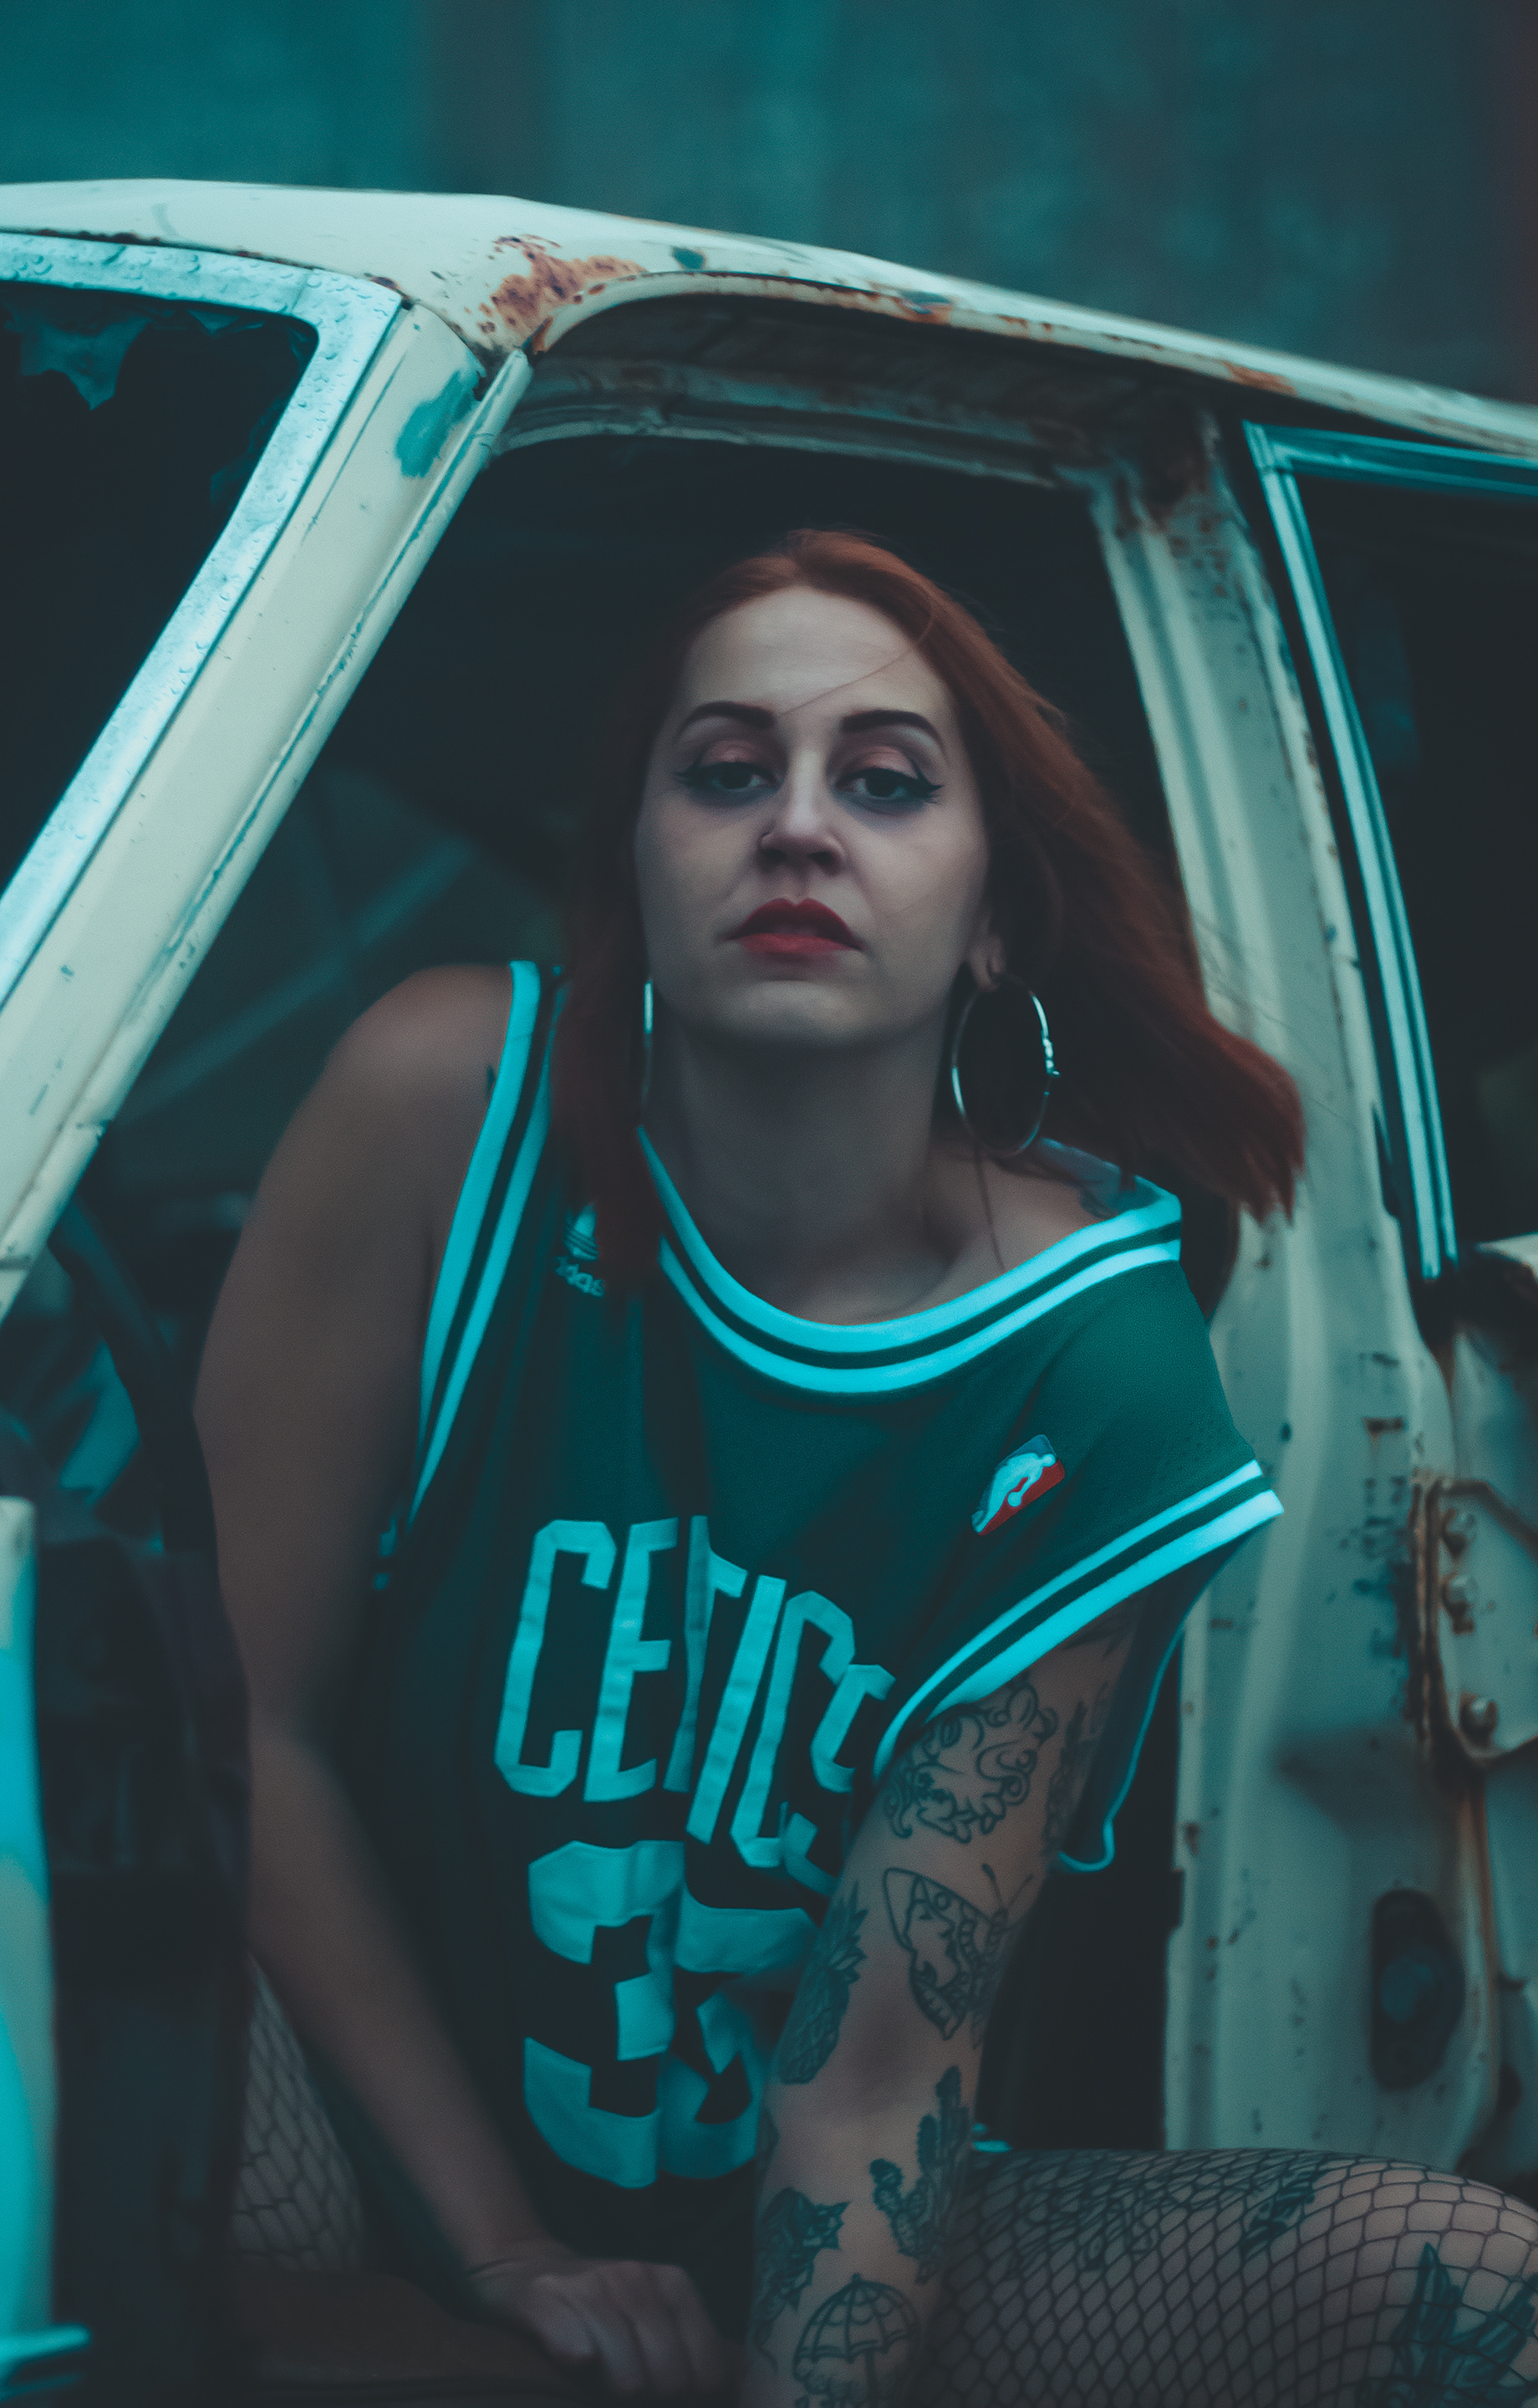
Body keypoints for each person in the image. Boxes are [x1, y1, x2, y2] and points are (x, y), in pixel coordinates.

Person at [199, 532, 1538, 2406]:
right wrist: (504, 2249)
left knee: (1475, 2290)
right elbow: (243, 1729)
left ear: (991, 921)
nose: (799, 827)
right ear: (636, 866)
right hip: (350, 2130)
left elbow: (879, 2076)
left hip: (789, 2223)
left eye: (886, 781)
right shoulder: (450, 1104)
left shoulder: (1096, 1367)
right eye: (727, 770)